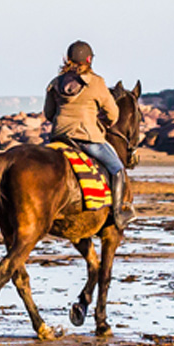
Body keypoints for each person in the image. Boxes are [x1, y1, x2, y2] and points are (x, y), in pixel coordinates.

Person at [45, 40, 131, 220]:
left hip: (59, 138)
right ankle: (117, 213)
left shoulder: (55, 83)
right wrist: (106, 122)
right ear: (89, 60)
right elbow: (113, 114)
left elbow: (48, 113)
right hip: (87, 139)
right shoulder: (96, 83)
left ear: (67, 59)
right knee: (117, 168)